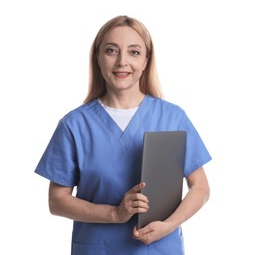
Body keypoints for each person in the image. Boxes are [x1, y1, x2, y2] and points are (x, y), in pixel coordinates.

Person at [35, 15, 212, 255]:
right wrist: (115, 214)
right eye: (111, 51)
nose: (122, 62)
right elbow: (56, 201)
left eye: (134, 52)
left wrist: (169, 226)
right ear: (98, 58)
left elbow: (200, 187)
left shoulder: (173, 117)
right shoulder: (74, 125)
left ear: (147, 60)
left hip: (159, 248)